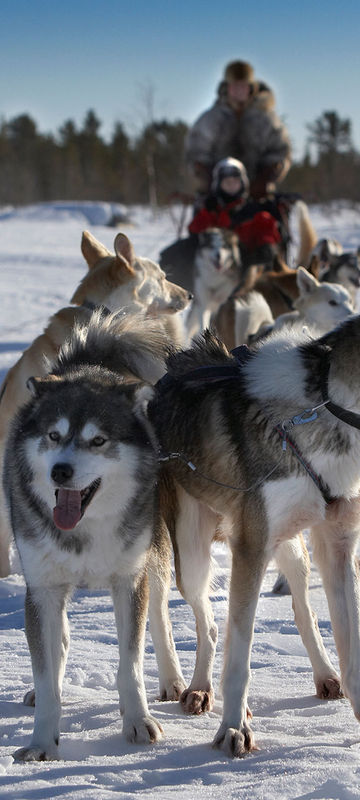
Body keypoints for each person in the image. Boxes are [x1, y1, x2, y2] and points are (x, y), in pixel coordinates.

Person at [185, 60, 291, 201]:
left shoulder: (266, 119)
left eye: (243, 86)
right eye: (235, 86)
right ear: (227, 88)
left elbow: (280, 152)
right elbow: (196, 152)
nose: (239, 91)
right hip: (217, 195)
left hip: (259, 195)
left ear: (250, 88)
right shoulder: (212, 118)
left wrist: (263, 180)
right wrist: (211, 179)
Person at [188, 157, 249, 234]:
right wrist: (206, 213)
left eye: (235, 181)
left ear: (243, 183)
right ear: (219, 184)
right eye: (227, 182)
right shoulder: (213, 207)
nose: (232, 185)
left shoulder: (248, 206)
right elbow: (194, 230)